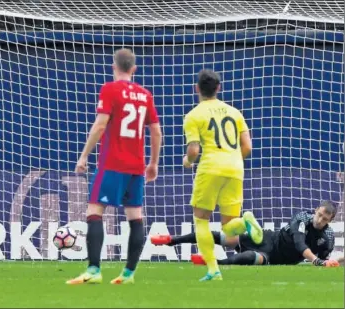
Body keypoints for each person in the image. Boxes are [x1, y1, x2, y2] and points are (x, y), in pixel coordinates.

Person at [67, 48, 162, 285]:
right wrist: (153, 163)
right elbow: (157, 131)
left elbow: (100, 126)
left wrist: (83, 156)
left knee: (94, 212)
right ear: (134, 69)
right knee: (135, 218)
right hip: (136, 166)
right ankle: (128, 273)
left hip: (111, 163)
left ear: (113, 67)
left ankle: (94, 270)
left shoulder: (109, 89)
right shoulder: (145, 94)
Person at [181, 69, 263, 281]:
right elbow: (247, 146)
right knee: (229, 226)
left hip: (210, 168)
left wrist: (188, 161)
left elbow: (193, 150)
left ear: (197, 89)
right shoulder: (234, 112)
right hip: (235, 169)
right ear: (219, 88)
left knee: (201, 220)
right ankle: (245, 222)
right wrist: (233, 160)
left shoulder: (193, 115)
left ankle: (213, 270)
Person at [151, 200, 340, 267]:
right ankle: (170, 240)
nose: (319, 219)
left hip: (273, 258)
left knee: (249, 256)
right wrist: (317, 261)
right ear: (316, 210)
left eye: (324, 219)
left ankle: (212, 263)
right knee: (221, 237)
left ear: (329, 221)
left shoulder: (328, 239)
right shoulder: (302, 217)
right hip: (267, 238)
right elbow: (301, 245)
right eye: (319, 214)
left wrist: (327, 262)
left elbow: (327, 262)